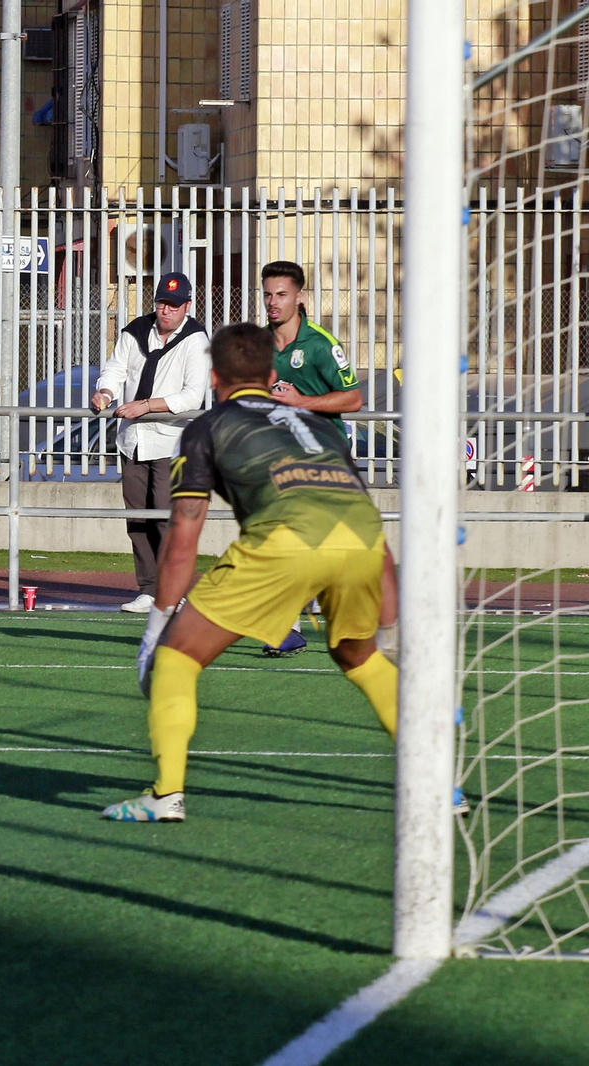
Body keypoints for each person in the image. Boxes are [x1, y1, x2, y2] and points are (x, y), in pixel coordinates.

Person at [102, 323, 397, 823]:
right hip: (361, 540)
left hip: (287, 541)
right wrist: (390, 621)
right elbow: (363, 513)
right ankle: (442, 787)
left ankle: (166, 795)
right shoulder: (318, 424)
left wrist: (157, 626)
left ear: (214, 376)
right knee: (359, 655)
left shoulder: (207, 427)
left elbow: (183, 536)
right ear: (268, 372)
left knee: (176, 659)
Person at [89, 272, 211, 613]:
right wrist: (105, 392)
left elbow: (191, 396)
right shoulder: (135, 331)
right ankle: (148, 589)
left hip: (171, 443)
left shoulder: (196, 339)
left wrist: (145, 405)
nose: (166, 310)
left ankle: (174, 590)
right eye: (161, 303)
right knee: (138, 519)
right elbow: (115, 369)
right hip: (133, 441)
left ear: (187, 305)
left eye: (174, 305)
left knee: (165, 518)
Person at [261, 260, 363, 656]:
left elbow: (353, 398)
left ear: (299, 297)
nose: (273, 302)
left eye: (281, 294)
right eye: (268, 294)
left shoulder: (320, 345)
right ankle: (287, 628)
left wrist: (301, 401)